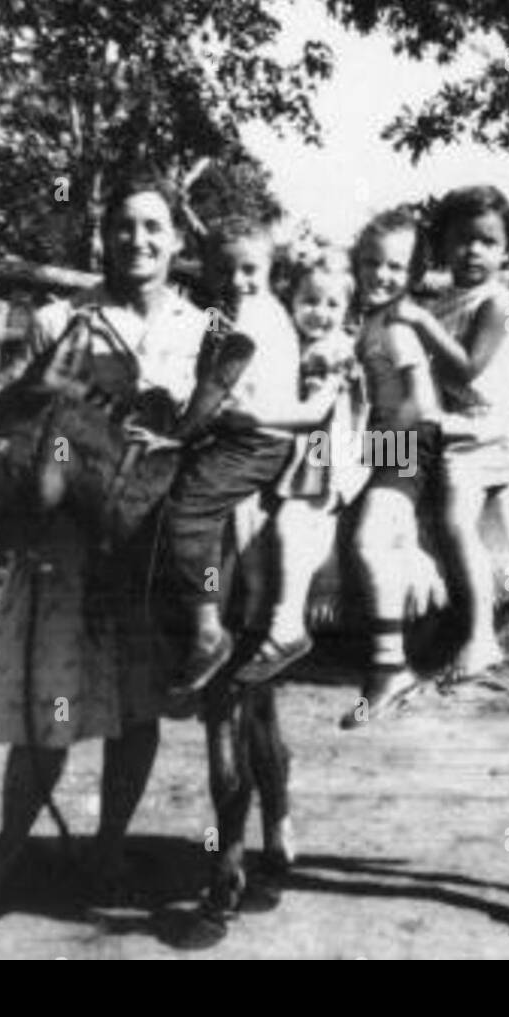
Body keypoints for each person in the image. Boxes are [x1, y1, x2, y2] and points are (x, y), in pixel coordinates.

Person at [0, 171, 213, 917]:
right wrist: (34, 519)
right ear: (102, 237)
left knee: (136, 710)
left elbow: (209, 442)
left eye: (153, 227)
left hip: (146, 554)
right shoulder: (59, 322)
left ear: (176, 241)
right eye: (123, 226)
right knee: (50, 711)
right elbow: (16, 432)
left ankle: (108, 850)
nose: (138, 240)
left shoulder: (200, 332)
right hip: (64, 552)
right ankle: (3, 856)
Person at [166, 218, 344, 693]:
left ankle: (207, 627)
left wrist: (178, 435)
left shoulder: (252, 318)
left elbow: (216, 386)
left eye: (250, 270)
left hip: (258, 440)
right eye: (224, 272)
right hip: (239, 433)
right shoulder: (243, 310)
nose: (237, 282)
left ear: (270, 269)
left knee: (187, 510)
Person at [388, 185, 509, 681]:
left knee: (455, 519)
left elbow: (466, 368)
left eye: (487, 241)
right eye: (461, 240)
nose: (473, 252)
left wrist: (417, 320)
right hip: (463, 424)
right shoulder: (447, 301)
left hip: (480, 427)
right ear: (443, 246)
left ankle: (480, 635)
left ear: (508, 251)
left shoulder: (497, 301)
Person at [235, 252, 368, 684]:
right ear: (291, 300)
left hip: (327, 454)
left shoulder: (331, 352)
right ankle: (249, 603)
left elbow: (315, 413)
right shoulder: (290, 343)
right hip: (302, 453)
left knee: (293, 522)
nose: (320, 313)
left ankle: (287, 621)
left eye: (333, 305)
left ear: (347, 311)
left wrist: (253, 416)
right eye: (310, 301)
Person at [342, 208, 445, 729]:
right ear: (356, 264)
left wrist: (369, 450)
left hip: (404, 439)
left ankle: (389, 664)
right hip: (370, 436)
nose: (381, 275)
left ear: (412, 275)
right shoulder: (359, 318)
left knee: (369, 537)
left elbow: (421, 404)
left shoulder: (399, 329)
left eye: (395, 268)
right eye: (371, 263)